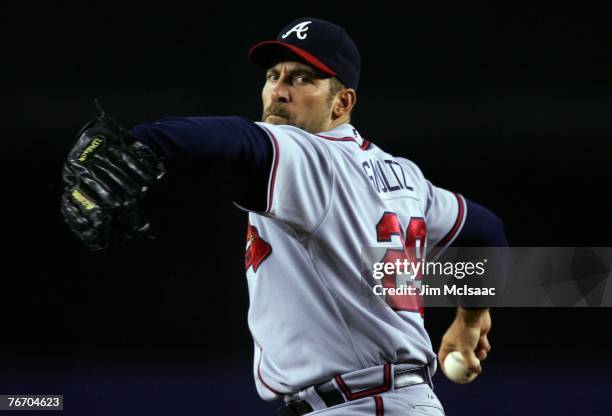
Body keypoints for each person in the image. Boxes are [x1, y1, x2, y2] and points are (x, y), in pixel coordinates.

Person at [61, 17, 507, 415]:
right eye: (273, 76)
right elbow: (486, 229)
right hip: (387, 401)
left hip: (360, 404)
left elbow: (238, 139)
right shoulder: (405, 177)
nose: (278, 91)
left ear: (341, 103)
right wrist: (470, 321)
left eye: (301, 79)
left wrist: (145, 142)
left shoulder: (311, 156)